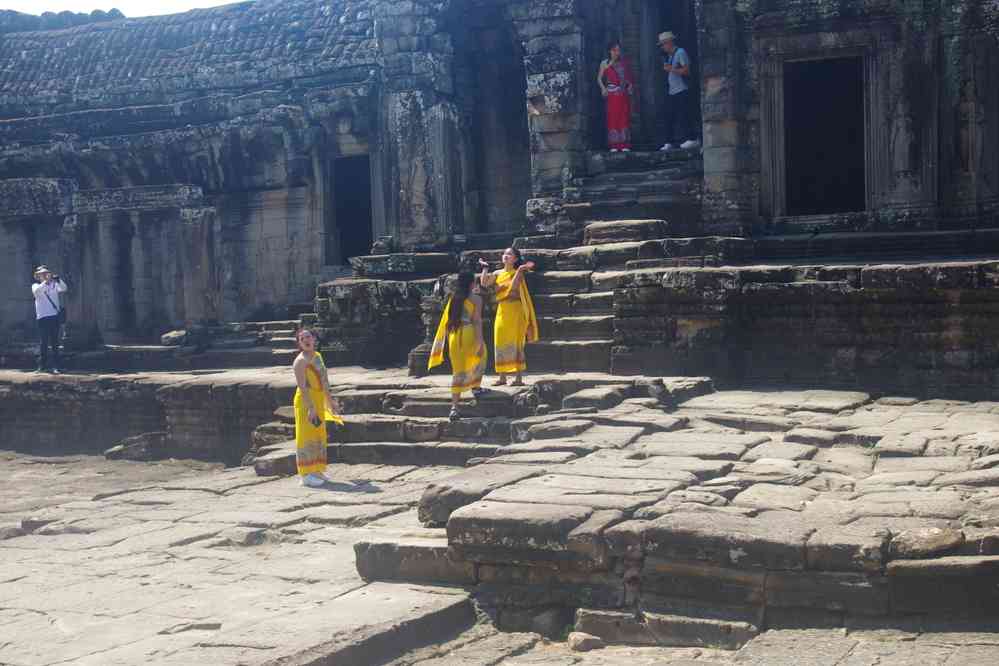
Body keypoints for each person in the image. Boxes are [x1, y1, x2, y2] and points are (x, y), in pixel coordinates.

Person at [428, 272, 486, 421]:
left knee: (458, 371)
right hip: (468, 333)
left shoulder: (454, 299)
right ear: (471, 284)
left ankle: (454, 407)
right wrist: (479, 342)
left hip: (454, 336)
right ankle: (475, 386)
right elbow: (477, 321)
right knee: (481, 356)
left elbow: (448, 323)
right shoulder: (476, 299)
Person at [479, 248, 538, 387]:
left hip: (516, 310)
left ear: (515, 259)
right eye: (505, 254)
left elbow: (513, 289)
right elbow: (484, 284)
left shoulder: (519, 272)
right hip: (502, 309)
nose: (506, 256)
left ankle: (518, 378)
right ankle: (502, 377)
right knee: (499, 340)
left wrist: (519, 270)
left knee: (516, 342)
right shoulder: (497, 273)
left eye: (509, 254)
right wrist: (485, 269)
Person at [292, 328, 343, 488]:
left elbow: (325, 382)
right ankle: (305, 475)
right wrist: (311, 408)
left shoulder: (318, 356)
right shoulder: (300, 361)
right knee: (305, 435)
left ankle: (317, 469)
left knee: (318, 434)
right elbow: (302, 387)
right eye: (302, 338)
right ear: (299, 343)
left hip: (319, 399)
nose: (306, 340)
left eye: (308, 336)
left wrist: (331, 402)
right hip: (306, 402)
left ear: (314, 339)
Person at [657, 31, 699, 151]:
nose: (663, 47)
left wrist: (671, 69)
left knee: (685, 115)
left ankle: (692, 139)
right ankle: (669, 141)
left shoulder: (680, 52)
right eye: (661, 45)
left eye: (663, 44)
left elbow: (686, 71)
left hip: (682, 89)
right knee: (669, 116)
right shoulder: (670, 56)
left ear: (669, 42)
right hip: (673, 90)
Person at [597, 42, 635, 152]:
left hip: (623, 94)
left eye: (618, 50)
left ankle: (625, 144)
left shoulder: (623, 63)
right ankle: (614, 145)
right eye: (614, 50)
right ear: (610, 51)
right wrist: (603, 88)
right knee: (613, 118)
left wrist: (629, 86)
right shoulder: (605, 63)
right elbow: (599, 78)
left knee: (623, 117)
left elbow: (628, 79)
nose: (616, 53)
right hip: (611, 95)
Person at [31, 265, 67, 374]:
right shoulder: (36, 285)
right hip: (42, 317)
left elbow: (64, 288)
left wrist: (58, 279)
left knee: (55, 342)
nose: (44, 275)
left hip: (54, 316)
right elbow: (37, 292)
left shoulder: (54, 285)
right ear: (38, 276)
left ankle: (56, 366)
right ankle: (42, 366)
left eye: (46, 273)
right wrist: (46, 281)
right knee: (43, 343)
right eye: (41, 274)